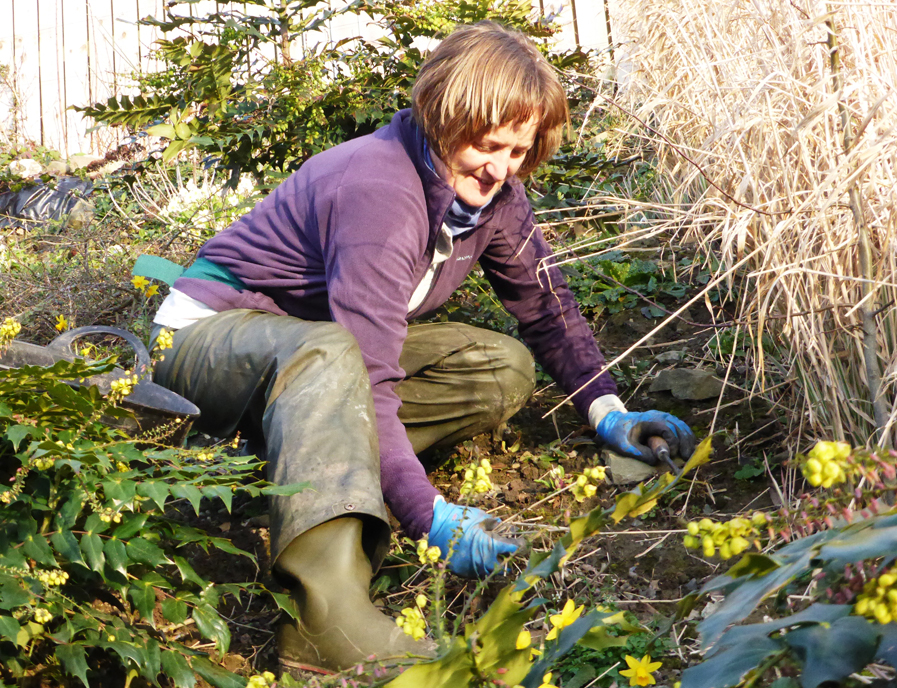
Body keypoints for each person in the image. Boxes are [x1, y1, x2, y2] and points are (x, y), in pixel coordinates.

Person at [149, 20, 695, 675]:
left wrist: (608, 413)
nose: (500, 169)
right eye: (488, 145)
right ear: (443, 117)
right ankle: (327, 622)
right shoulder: (381, 192)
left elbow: (547, 312)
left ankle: (318, 463)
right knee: (331, 359)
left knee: (495, 366)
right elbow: (365, 369)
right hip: (206, 339)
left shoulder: (493, 198)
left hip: (314, 358)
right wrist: (429, 515)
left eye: (518, 151)